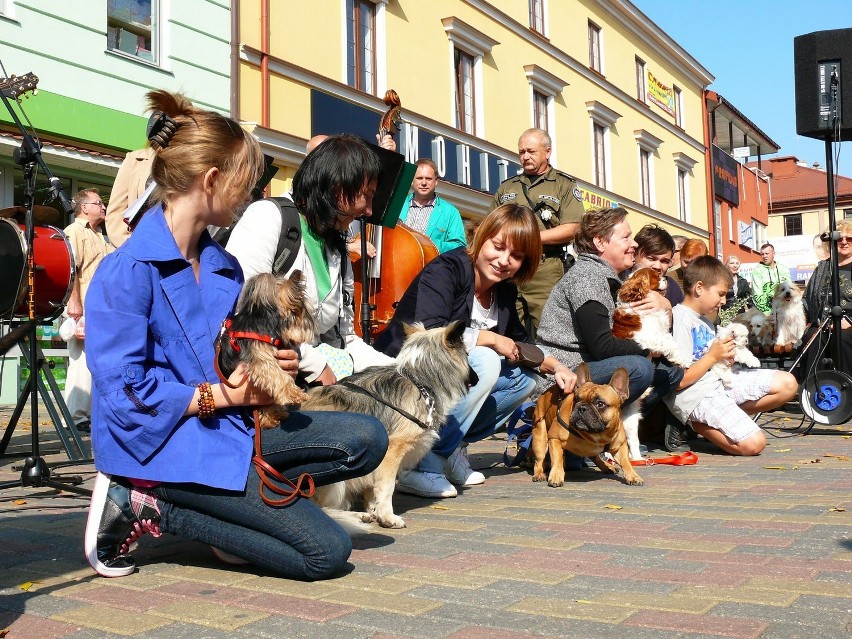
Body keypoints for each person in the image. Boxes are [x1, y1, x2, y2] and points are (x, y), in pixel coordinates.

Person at [84, 90, 387, 580]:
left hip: (231, 427)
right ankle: (144, 501)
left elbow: (234, 350)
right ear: (210, 181)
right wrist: (222, 396)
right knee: (324, 553)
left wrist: (275, 360)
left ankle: (233, 513)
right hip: (161, 443)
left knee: (367, 436)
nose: (251, 195)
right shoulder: (126, 271)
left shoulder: (224, 267)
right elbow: (123, 398)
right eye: (245, 184)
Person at [375, 204, 576, 498]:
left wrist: (557, 366)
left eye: (516, 256)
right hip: (407, 379)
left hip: (444, 389)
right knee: (484, 359)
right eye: (498, 247)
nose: (504, 260)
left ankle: (451, 446)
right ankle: (418, 467)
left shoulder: (504, 291)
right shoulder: (447, 270)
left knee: (525, 380)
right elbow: (431, 331)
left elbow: (519, 342)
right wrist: (490, 339)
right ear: (482, 237)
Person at [227, 134, 396, 385]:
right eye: (367, 195)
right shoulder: (268, 218)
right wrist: (316, 365)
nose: (369, 211)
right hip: (265, 382)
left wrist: (399, 369)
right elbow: (246, 315)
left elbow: (344, 340)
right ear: (339, 188)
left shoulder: (337, 246)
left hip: (312, 379)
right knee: (367, 426)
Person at [535, 207, 683, 422]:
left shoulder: (614, 277)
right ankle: (584, 426)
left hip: (590, 364)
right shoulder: (588, 278)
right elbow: (602, 347)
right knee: (639, 369)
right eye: (626, 237)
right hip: (565, 372)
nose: (633, 244)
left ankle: (619, 428)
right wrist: (651, 346)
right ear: (600, 242)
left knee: (670, 371)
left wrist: (666, 306)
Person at [666, 256, 798, 455]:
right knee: (754, 445)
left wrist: (726, 357)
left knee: (788, 384)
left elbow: (710, 357)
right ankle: (694, 424)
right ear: (699, 288)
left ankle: (728, 420)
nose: (724, 301)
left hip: (719, 382)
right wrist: (712, 356)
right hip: (696, 394)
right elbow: (679, 381)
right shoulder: (681, 320)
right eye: (720, 294)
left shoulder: (705, 320)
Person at [492, 128, 585, 337]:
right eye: (521, 152)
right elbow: (491, 225)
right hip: (508, 270)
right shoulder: (507, 187)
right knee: (506, 330)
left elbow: (574, 227)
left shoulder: (563, 185)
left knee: (549, 331)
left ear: (548, 152)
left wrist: (530, 239)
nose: (525, 157)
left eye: (531, 151)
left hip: (545, 267)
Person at [62, 188, 114, 431]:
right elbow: (70, 268)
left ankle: (88, 415)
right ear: (84, 208)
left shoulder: (100, 235)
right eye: (98, 203)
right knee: (81, 362)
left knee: (93, 361)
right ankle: (75, 417)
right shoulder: (73, 232)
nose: (103, 207)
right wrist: (74, 304)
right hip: (81, 306)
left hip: (97, 308)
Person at [803, 221, 852, 375]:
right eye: (839, 238)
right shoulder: (823, 267)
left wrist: (849, 321)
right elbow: (806, 300)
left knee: (841, 338)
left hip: (848, 324)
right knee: (812, 339)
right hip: (822, 323)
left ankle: (847, 388)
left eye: (849, 238)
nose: (844, 242)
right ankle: (813, 390)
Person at [396, 158, 466, 253]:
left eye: (428, 179)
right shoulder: (397, 205)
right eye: (419, 178)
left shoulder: (450, 212)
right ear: (412, 181)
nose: (424, 183)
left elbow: (459, 247)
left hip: (431, 266)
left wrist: (431, 244)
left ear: (436, 181)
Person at [104, 147, 156, 249]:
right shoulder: (135, 159)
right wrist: (132, 247)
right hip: (139, 250)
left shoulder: (193, 160)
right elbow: (116, 213)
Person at [631, 224, 683, 306]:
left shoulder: (672, 289)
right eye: (651, 259)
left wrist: (668, 310)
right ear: (634, 255)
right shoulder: (620, 280)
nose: (657, 266)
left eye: (664, 261)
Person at [750, 242, 792, 313]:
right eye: (762, 254)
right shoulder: (757, 271)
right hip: (767, 312)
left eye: (767, 253)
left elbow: (790, 288)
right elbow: (757, 295)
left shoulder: (783, 269)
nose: (764, 256)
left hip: (784, 310)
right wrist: (768, 313)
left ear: (773, 254)